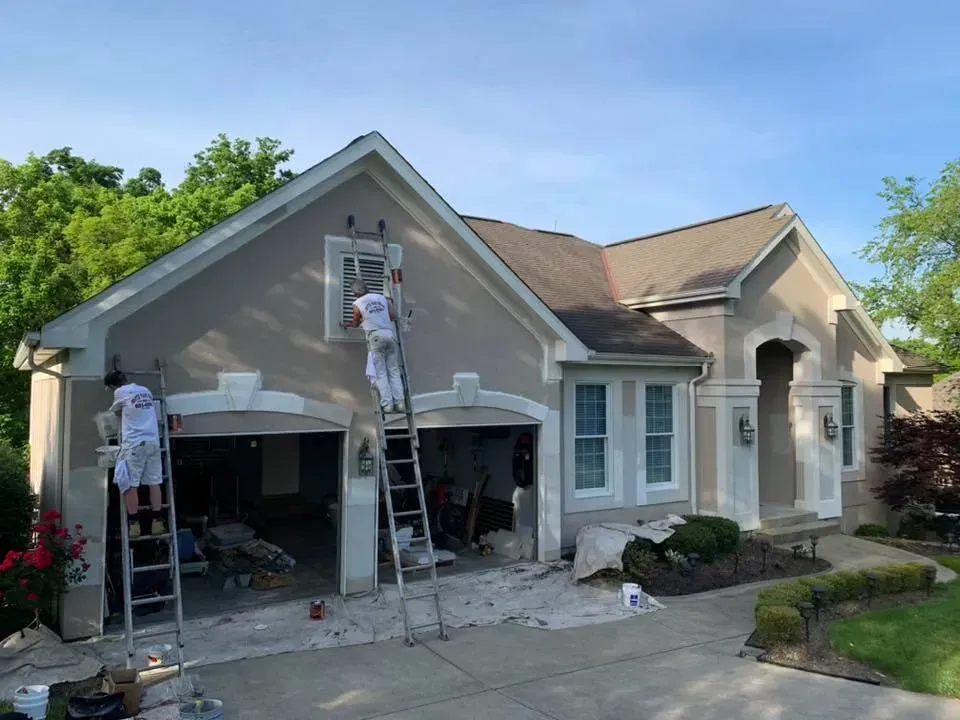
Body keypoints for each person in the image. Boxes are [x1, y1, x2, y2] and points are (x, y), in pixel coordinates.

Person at [104, 371, 165, 539]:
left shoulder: (119, 393)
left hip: (134, 445)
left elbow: (116, 412)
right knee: (154, 483)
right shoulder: (145, 390)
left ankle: (134, 524)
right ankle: (157, 522)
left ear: (112, 386)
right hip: (153, 442)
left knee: (130, 485)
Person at [349, 279, 406, 414]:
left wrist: (359, 321)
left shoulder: (358, 303)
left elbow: (355, 323)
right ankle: (400, 403)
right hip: (390, 336)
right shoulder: (381, 298)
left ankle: (387, 405)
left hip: (375, 338)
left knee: (380, 373)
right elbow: (393, 316)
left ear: (355, 293)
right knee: (393, 371)